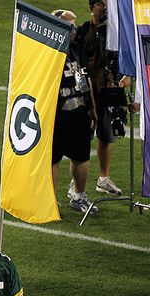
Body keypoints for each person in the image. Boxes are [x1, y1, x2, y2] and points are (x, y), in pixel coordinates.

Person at [50, 9, 98, 214]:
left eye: (75, 25)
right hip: (57, 112)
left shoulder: (77, 48)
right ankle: (49, 201)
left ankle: (78, 197)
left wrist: (93, 108)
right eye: (70, 25)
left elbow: (85, 78)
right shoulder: (48, 50)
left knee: (81, 157)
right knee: (52, 158)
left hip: (79, 110)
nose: (74, 29)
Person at [75, 0, 124, 196]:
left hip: (106, 91)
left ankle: (103, 178)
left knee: (106, 135)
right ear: (92, 7)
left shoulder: (113, 31)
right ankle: (75, 183)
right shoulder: (82, 30)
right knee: (83, 137)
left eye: (106, 4)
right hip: (87, 93)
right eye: (101, 4)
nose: (104, 8)